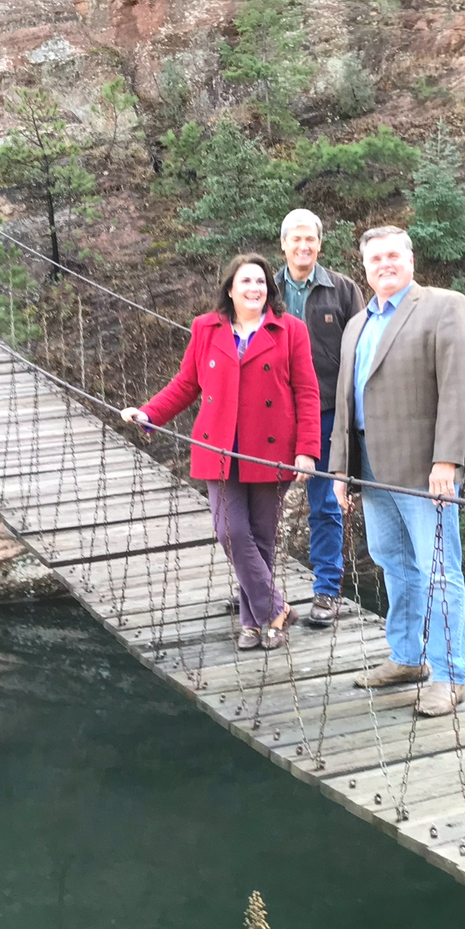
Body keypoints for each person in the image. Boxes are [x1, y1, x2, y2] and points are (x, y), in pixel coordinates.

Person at [122, 254, 322, 651]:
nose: (255, 289)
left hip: (272, 450)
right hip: (219, 448)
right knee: (231, 531)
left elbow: (307, 392)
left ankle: (255, 623)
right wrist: (148, 414)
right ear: (230, 288)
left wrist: (307, 451)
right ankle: (276, 609)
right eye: (246, 281)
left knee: (262, 537)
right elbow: (185, 384)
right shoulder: (206, 328)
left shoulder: (291, 330)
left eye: (262, 282)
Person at [330, 226, 465, 716]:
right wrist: (340, 471)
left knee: (439, 571)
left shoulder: (445, 306)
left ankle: (450, 674)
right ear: (365, 267)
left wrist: (447, 461)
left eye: (393, 255)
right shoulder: (357, 323)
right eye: (375, 259)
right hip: (370, 467)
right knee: (394, 566)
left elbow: (460, 389)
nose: (384, 265)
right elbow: (345, 402)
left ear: (410, 259)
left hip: (423, 469)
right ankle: (408, 657)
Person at [274, 209, 364, 628]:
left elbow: (363, 353)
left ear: (320, 245)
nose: (303, 246)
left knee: (326, 504)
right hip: (273, 413)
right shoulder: (264, 289)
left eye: (310, 239)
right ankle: (259, 590)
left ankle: (327, 591)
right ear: (284, 244)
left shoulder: (342, 291)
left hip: (327, 410)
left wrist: (356, 414)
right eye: (296, 239)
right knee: (260, 501)